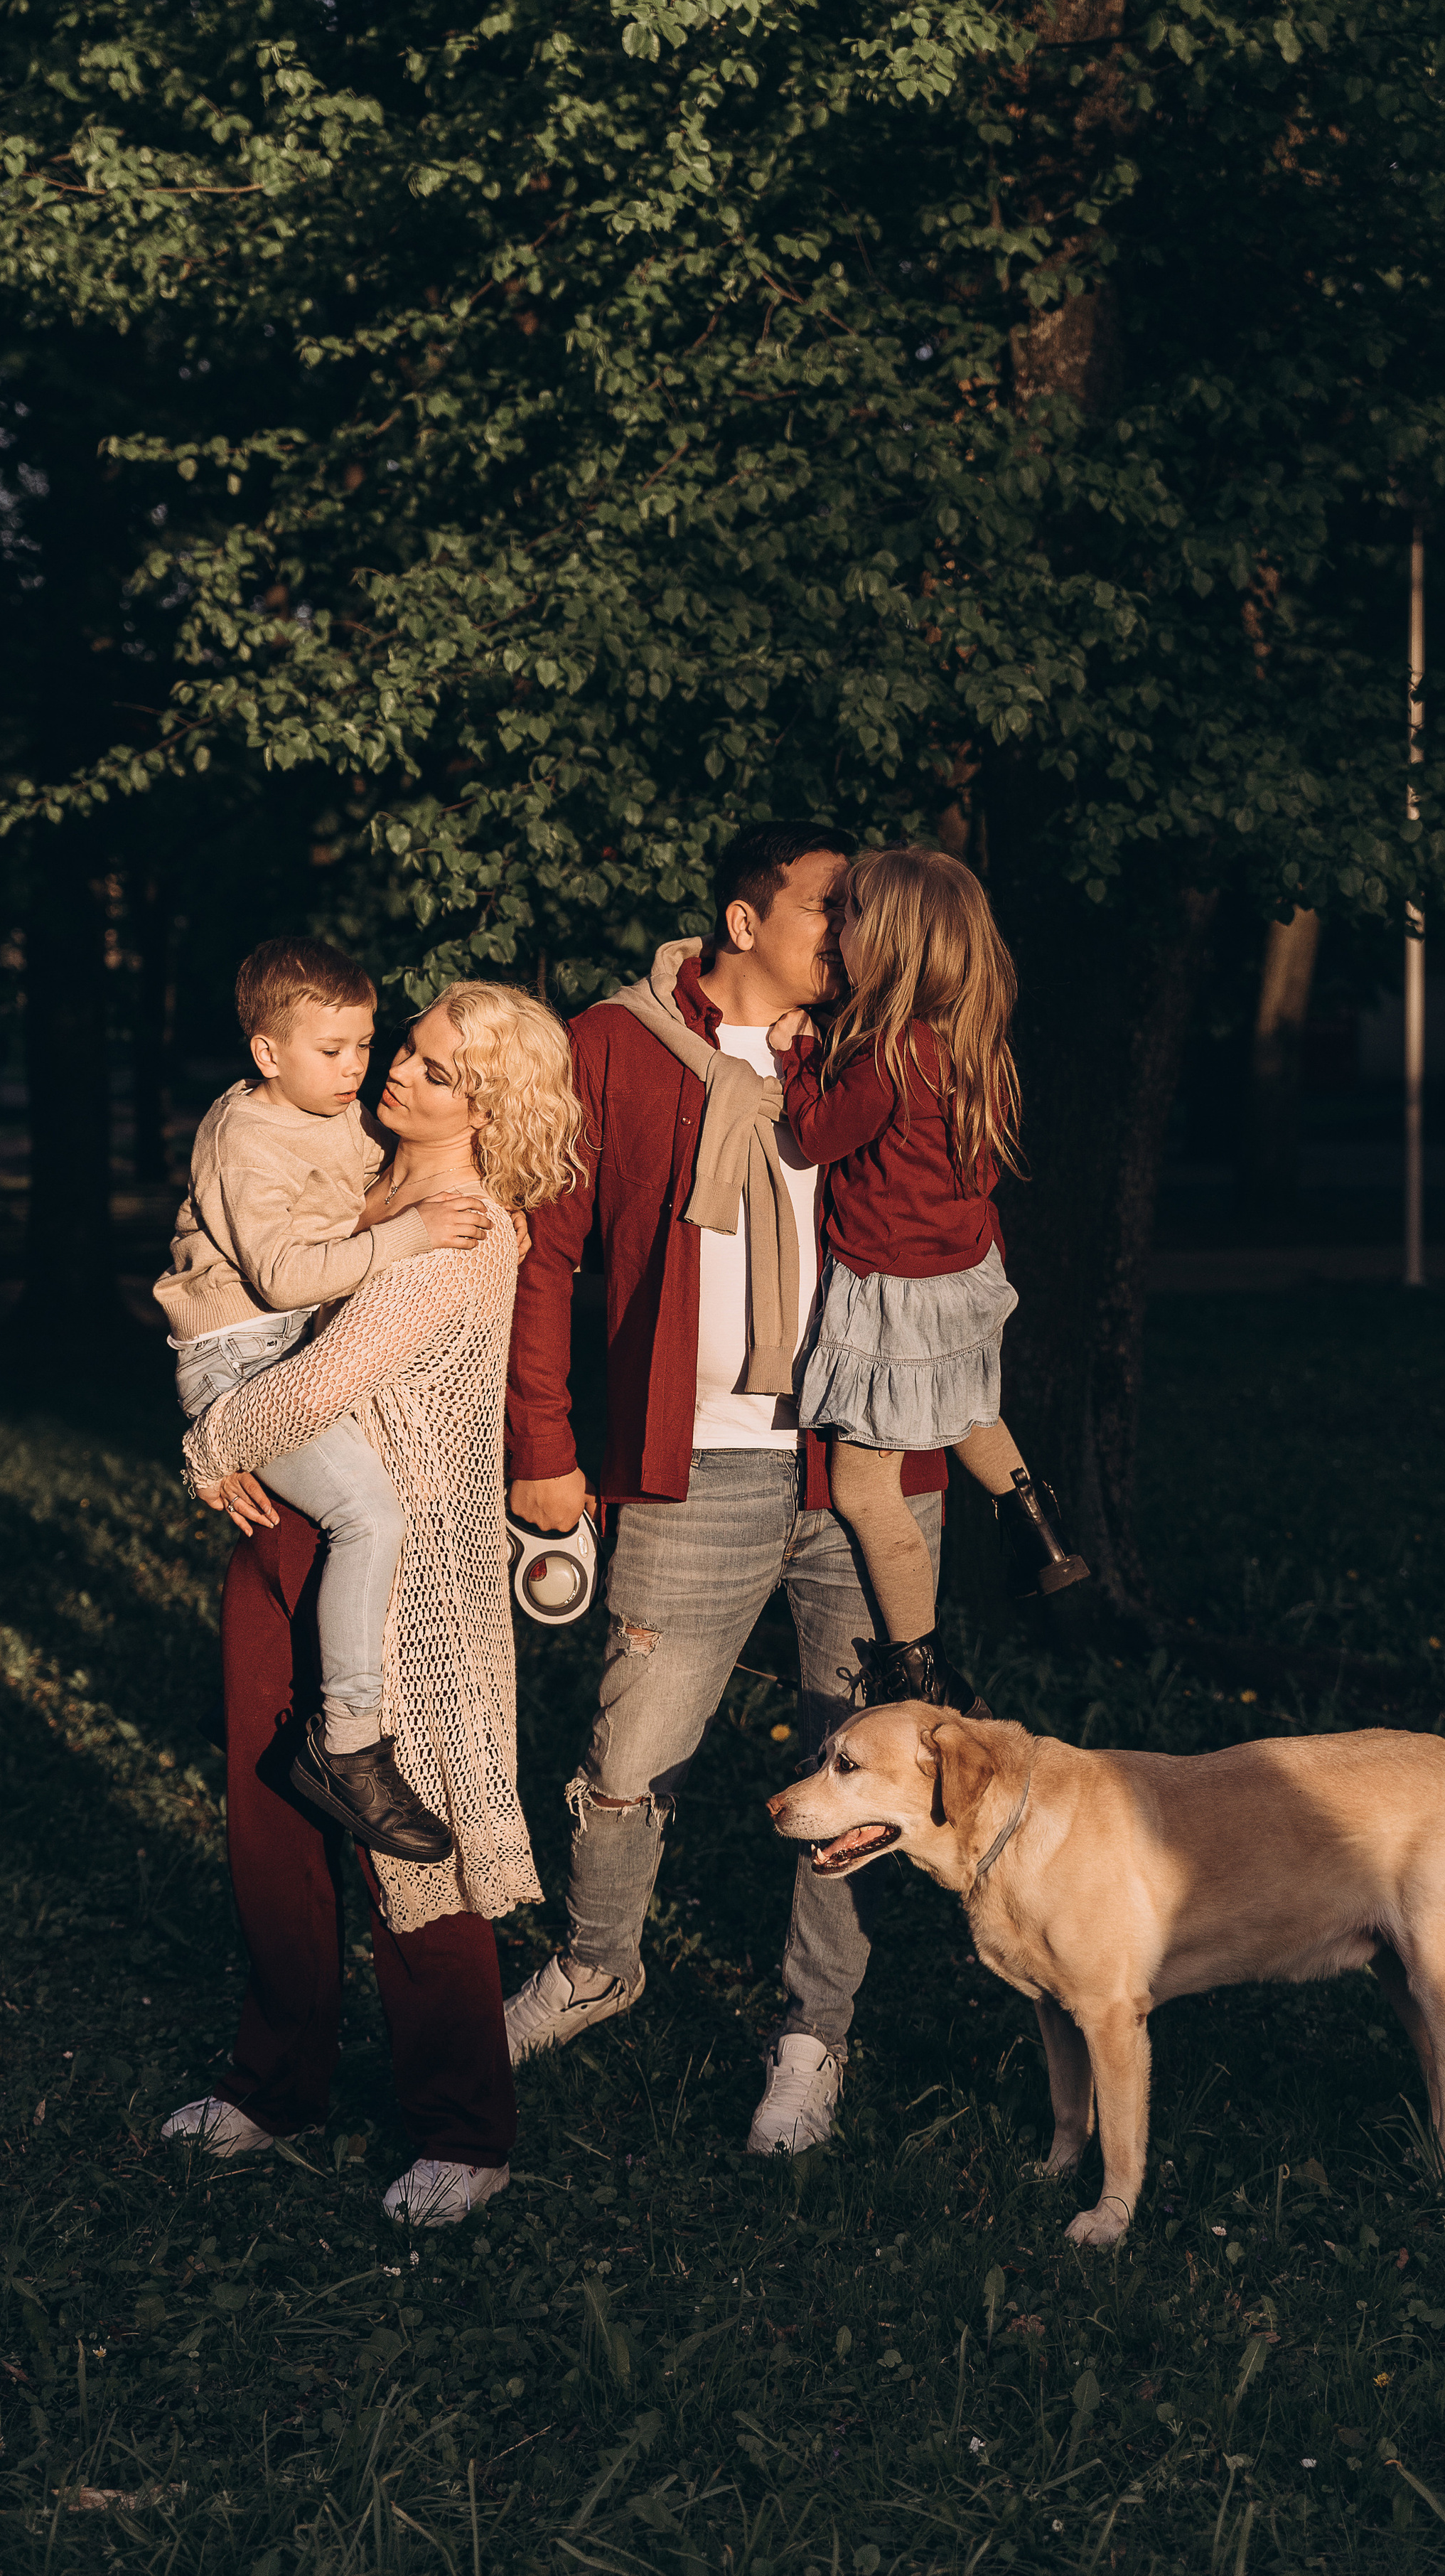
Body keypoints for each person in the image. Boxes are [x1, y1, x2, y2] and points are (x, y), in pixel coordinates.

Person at [502, 824, 952, 2159]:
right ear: (745, 921)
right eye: (832, 905)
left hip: (868, 1460)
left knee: (860, 1754)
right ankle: (597, 1964)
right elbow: (545, 1256)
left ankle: (815, 2033)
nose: (856, 928)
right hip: (690, 1458)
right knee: (633, 1748)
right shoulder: (616, 1047)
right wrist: (544, 1440)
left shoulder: (881, 1050)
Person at [162, 983, 584, 2228]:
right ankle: (275, 2085)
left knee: (414, 1846)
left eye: (441, 1070)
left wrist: (207, 1442)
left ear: (489, 1107)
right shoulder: (352, 1182)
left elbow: (310, 1388)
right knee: (271, 1828)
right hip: (285, 1541)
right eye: (409, 1049)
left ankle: (466, 2131)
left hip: (400, 1578)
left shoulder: (465, 1231)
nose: (402, 1071)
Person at [155, 937, 493, 1862]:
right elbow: (285, 1272)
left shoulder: (329, 1106)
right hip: (242, 1356)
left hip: (291, 1342)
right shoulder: (247, 1136)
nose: (358, 1070)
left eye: (364, 1044)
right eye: (331, 1050)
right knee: (369, 1517)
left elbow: (361, 1197)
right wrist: (412, 1232)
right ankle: (347, 1744)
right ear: (268, 1053)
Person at [771, 846, 1088, 1707]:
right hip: (961, 1274)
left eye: (853, 917)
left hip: (894, 1286)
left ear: (895, 942)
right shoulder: (962, 1040)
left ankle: (917, 1664)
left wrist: (795, 1061)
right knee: (965, 1410)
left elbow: (817, 1137)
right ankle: (1039, 1530)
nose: (838, 931)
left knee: (865, 1485)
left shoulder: (889, 1055)